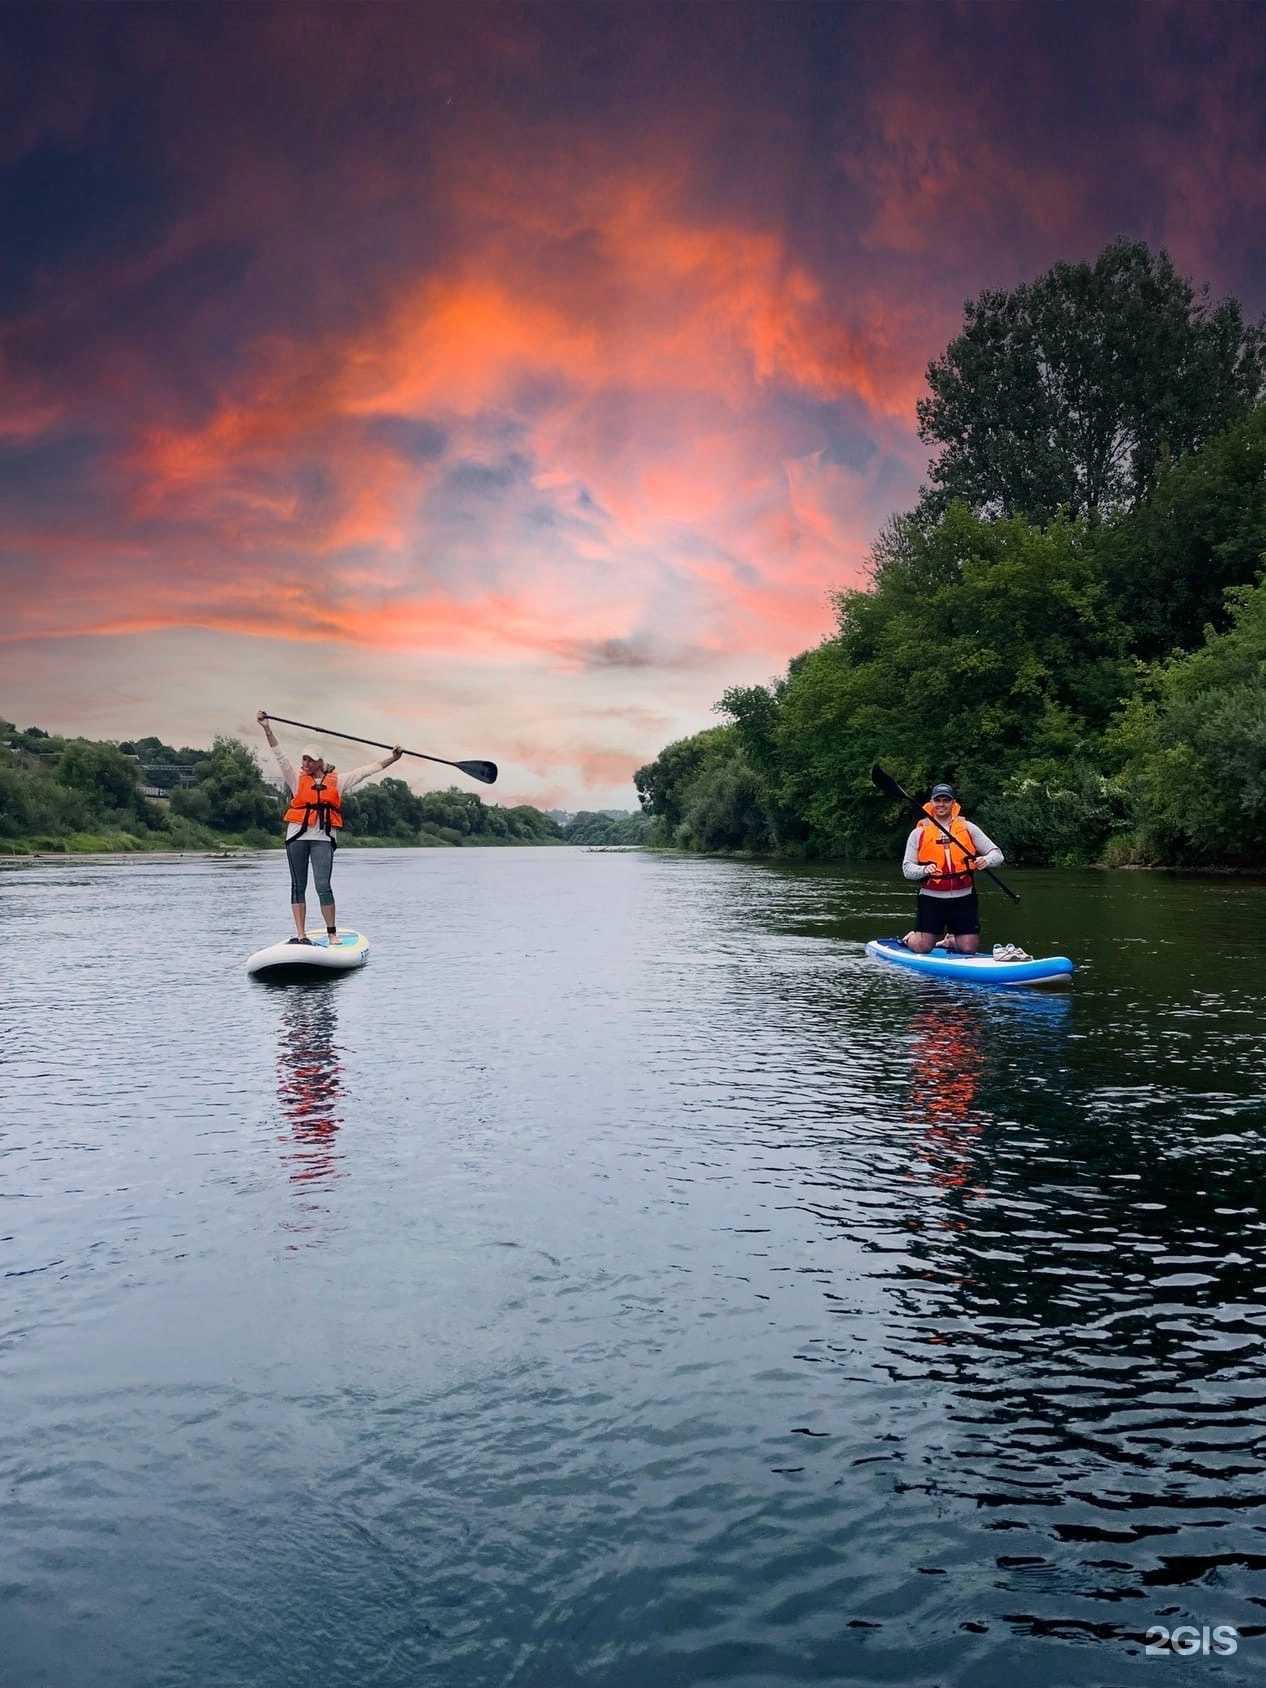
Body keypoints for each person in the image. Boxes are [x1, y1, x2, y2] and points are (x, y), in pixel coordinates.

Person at [258, 711, 402, 944]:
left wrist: (392, 759)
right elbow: (279, 755)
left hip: (323, 838)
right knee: (298, 885)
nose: (305, 763)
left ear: (320, 763)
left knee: (323, 885)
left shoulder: (339, 780)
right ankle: (301, 935)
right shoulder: (296, 778)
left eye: (310, 760)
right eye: (303, 759)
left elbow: (366, 771)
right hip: (296, 837)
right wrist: (267, 728)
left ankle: (331, 933)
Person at [901, 782, 1005, 956]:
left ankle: (950, 940)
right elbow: (907, 869)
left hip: (964, 898)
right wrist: (925, 870)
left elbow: (998, 855)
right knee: (923, 948)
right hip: (932, 899)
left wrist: (985, 860)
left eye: (946, 800)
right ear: (932, 803)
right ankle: (911, 937)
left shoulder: (968, 828)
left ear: (953, 803)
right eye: (938, 800)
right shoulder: (918, 833)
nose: (942, 804)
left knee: (969, 949)